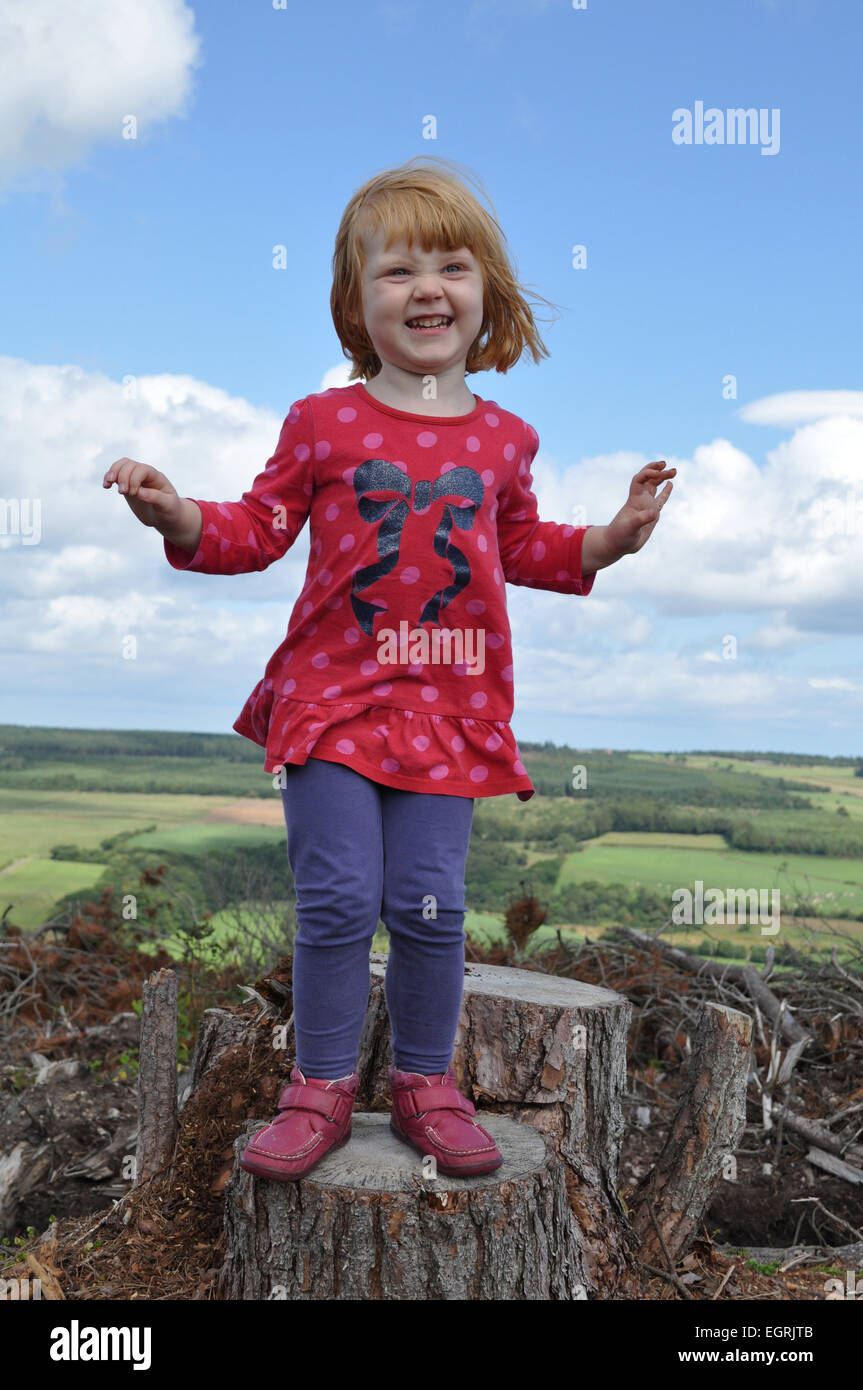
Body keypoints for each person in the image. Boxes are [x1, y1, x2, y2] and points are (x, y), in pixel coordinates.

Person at [103, 156, 675, 1183]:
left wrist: (611, 538)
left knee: (427, 905)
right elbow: (257, 528)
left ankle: (423, 1084)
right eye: (396, 269)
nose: (425, 288)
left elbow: (524, 547)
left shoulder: (505, 438)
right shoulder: (319, 423)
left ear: (484, 295)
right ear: (353, 300)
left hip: (448, 707)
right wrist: (178, 513)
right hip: (329, 702)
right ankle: (318, 1088)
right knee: (334, 897)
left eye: (450, 266)